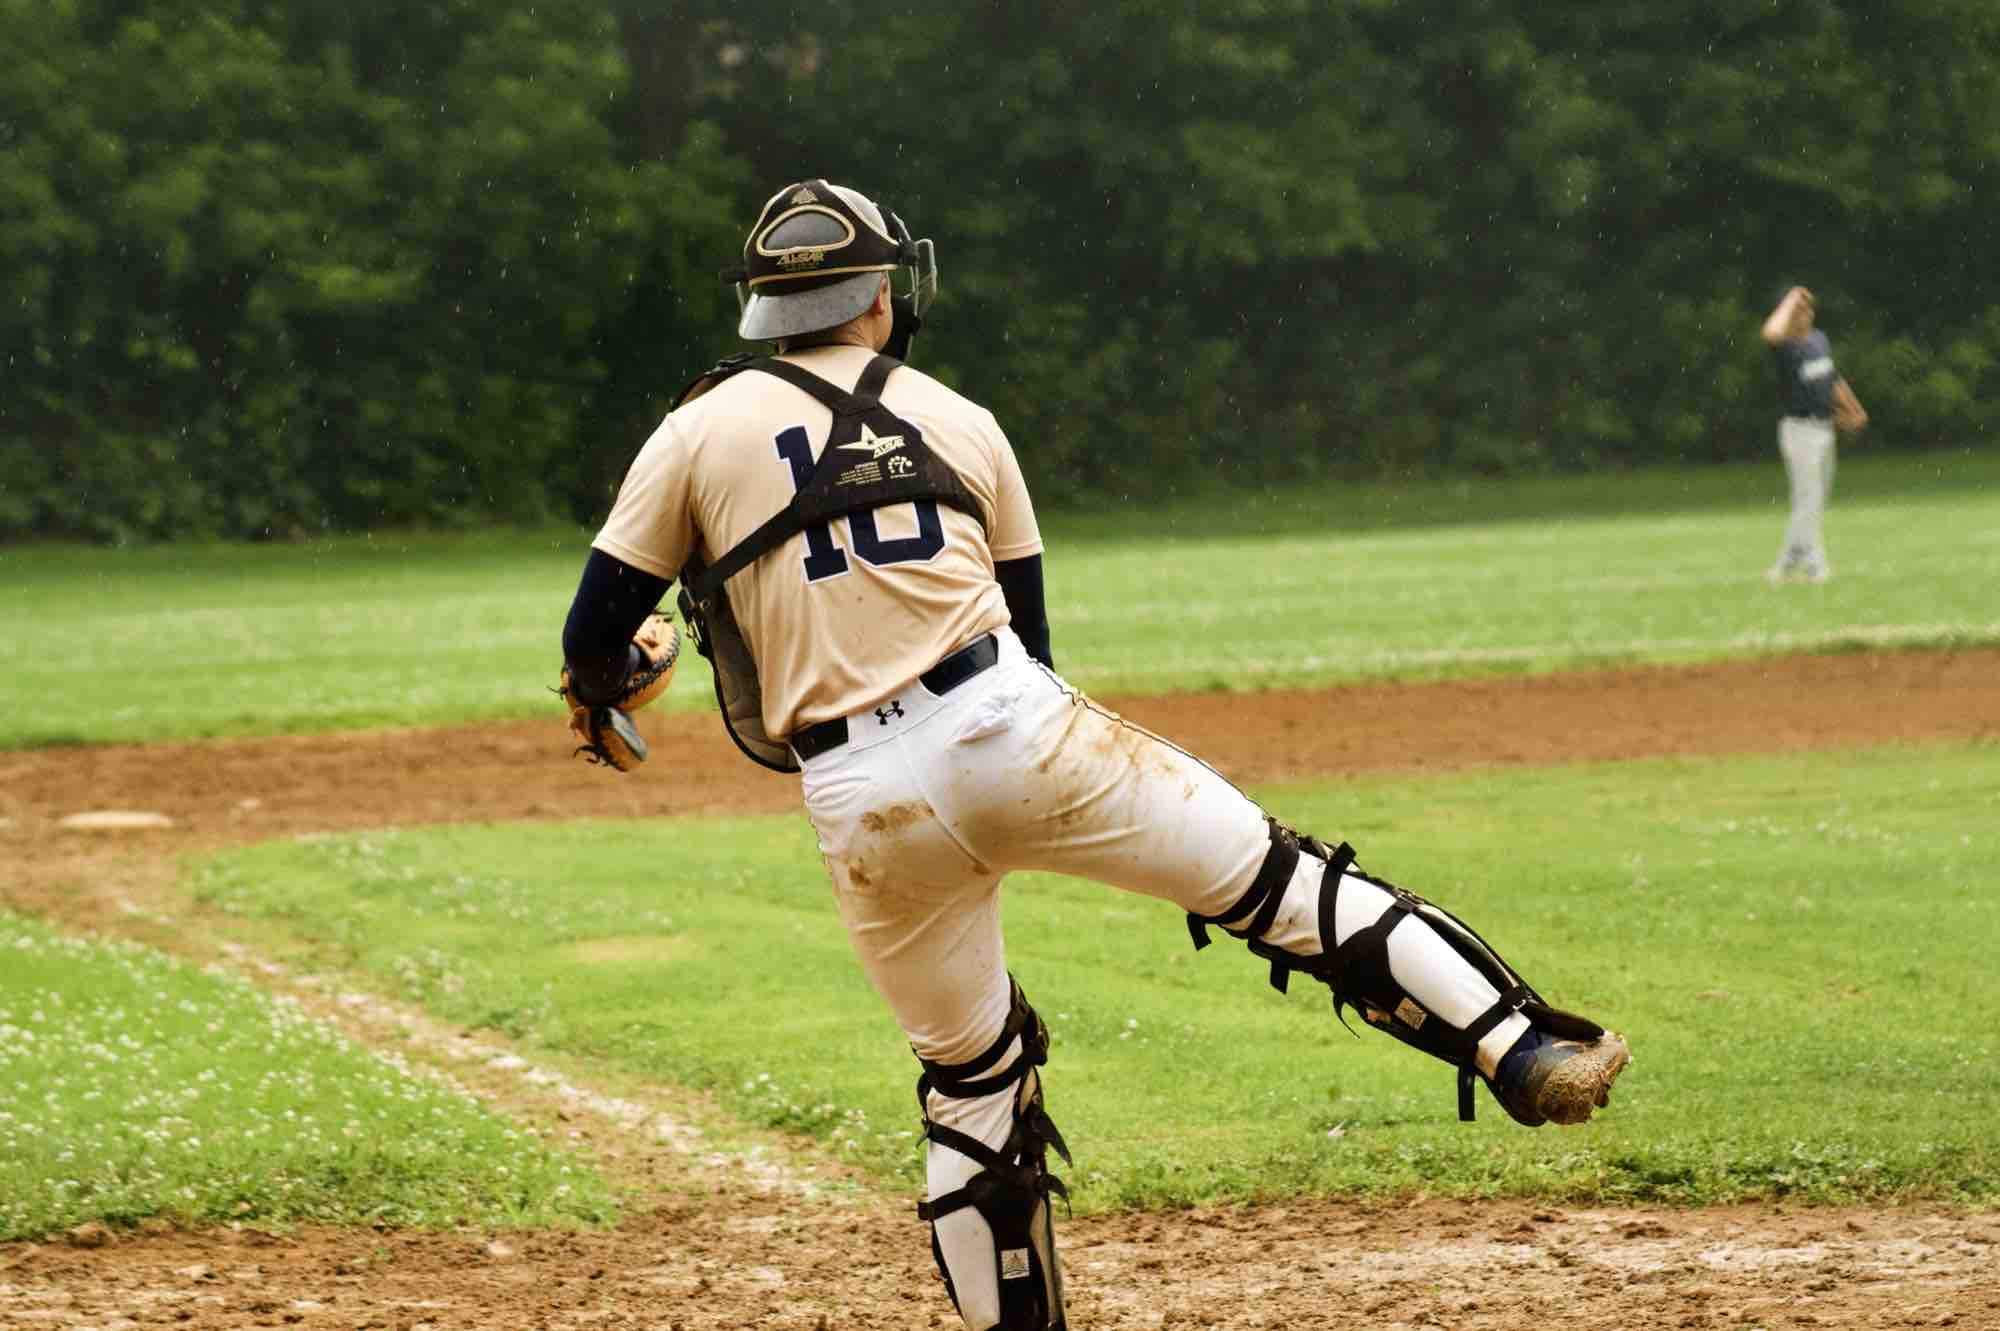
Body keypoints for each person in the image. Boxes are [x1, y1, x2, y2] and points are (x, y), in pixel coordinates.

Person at [559, 179, 1632, 1331]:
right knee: (1282, 885)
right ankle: (1518, 1049)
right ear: (881, 294)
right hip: (1008, 721)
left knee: (970, 1082)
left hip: (859, 796)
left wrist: (615, 678)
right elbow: (1030, 641)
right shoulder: (960, 418)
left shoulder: (692, 430)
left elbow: (592, 640)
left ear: (763, 307)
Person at [1760, 285, 1868, 583]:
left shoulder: (1818, 341)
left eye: (1807, 308)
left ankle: (1787, 562)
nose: (1805, 313)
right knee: (1808, 498)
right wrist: (1791, 300)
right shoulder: (1785, 346)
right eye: (1798, 310)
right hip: (1798, 430)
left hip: (1823, 428)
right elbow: (1769, 333)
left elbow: (1832, 379)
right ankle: (1814, 564)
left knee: (1813, 500)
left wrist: (1854, 408)